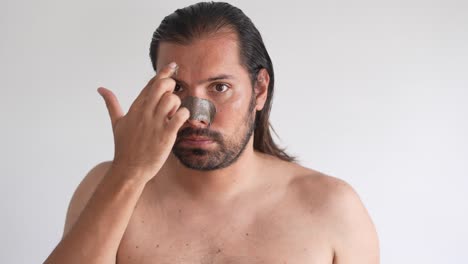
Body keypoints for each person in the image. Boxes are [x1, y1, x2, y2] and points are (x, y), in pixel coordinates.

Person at [44, 2, 379, 263]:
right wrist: (128, 173)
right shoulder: (108, 186)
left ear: (259, 89)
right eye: (176, 88)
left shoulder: (332, 207)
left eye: (219, 87)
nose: (195, 115)